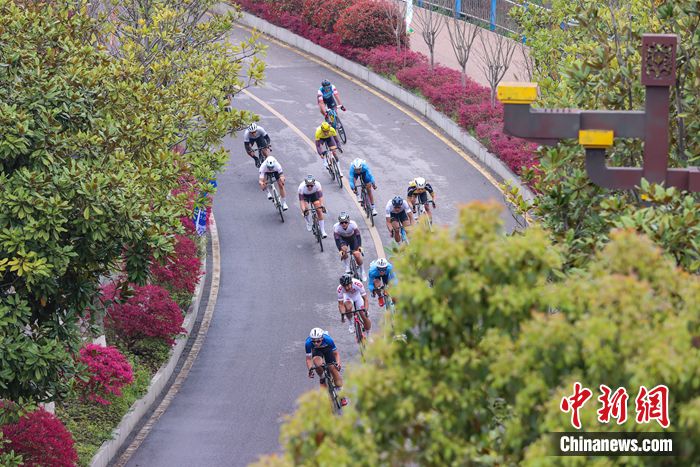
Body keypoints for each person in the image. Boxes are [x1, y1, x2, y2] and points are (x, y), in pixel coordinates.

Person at [305, 328, 348, 406]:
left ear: (322, 338)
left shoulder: (328, 340)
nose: (316, 343)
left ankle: (342, 395)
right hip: (317, 351)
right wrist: (310, 369)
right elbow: (308, 359)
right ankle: (322, 377)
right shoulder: (308, 343)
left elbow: (336, 354)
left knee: (333, 369)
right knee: (317, 364)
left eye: (318, 341)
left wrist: (338, 364)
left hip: (327, 349)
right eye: (313, 341)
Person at [334, 212, 365, 281]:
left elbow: (358, 236)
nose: (344, 224)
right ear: (339, 223)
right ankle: (347, 267)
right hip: (343, 240)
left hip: (353, 238)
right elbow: (337, 240)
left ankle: (362, 272)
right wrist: (340, 250)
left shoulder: (353, 224)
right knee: (344, 250)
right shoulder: (336, 227)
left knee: (357, 254)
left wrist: (359, 246)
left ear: (348, 222)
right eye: (342, 223)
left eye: (345, 222)